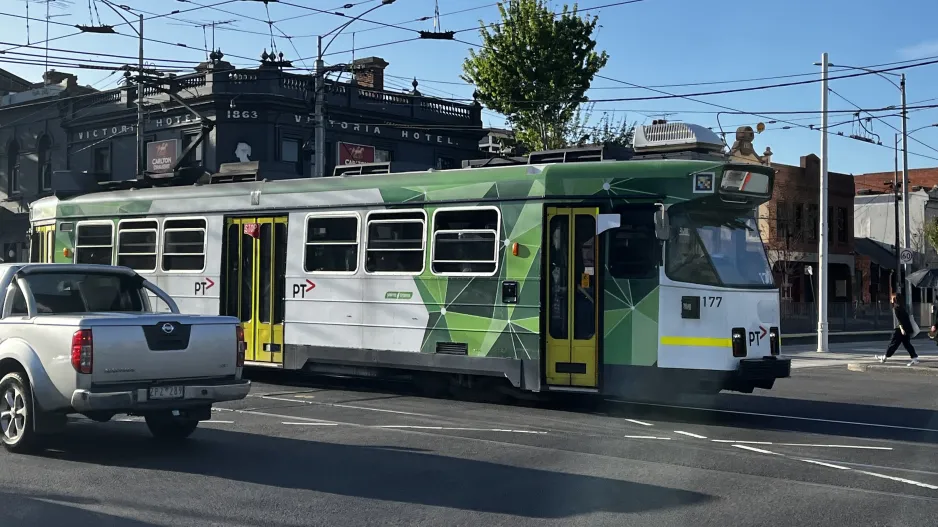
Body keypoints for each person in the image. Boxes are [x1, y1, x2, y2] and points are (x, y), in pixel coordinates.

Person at [875, 292, 921, 366]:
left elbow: (900, 320)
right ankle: (914, 358)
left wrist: (902, 329)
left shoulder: (896, 308)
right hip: (906, 328)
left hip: (900, 330)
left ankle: (885, 357)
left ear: (894, 299)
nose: (890, 299)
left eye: (891, 298)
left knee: (893, 343)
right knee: (907, 344)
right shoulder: (902, 307)